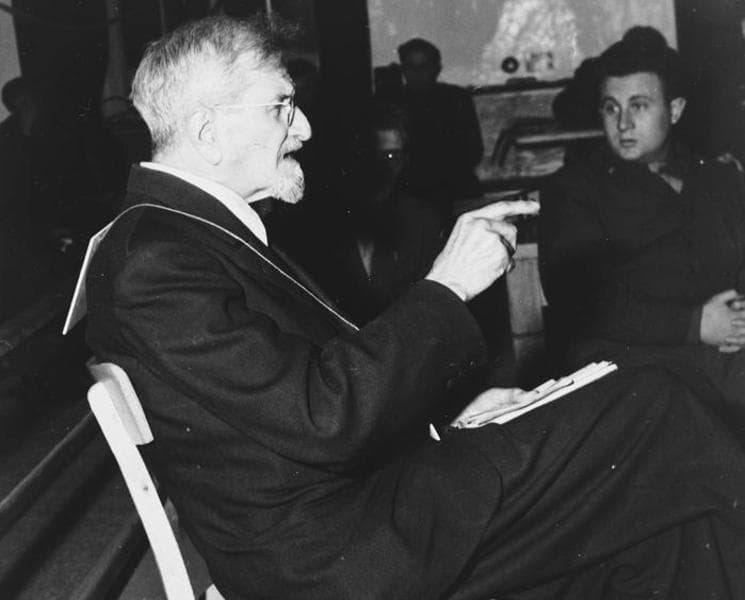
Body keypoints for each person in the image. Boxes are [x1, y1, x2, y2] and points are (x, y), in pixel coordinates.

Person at [84, 16, 745, 599]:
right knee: (658, 409)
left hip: (364, 515)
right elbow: (322, 416)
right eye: (282, 106)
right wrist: (447, 285)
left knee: (656, 528)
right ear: (209, 133)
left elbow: (294, 404)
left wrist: (449, 419)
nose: (304, 128)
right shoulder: (156, 259)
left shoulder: (183, 237)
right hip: (342, 557)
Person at [540, 34, 745, 428]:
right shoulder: (573, 190)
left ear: (675, 110)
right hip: (631, 364)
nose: (623, 123)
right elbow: (581, 302)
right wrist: (696, 325)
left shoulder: (718, 179)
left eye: (639, 106)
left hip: (727, 351)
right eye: (611, 108)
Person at [321, 102, 445, 323]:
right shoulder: (324, 221)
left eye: (392, 157)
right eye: (372, 156)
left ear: (406, 161)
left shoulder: (423, 221)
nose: (381, 168)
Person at [396, 38, 484, 219]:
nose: (417, 73)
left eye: (424, 66)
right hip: (412, 198)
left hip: (457, 193)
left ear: (436, 69)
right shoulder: (393, 104)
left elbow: (474, 151)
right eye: (411, 66)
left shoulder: (457, 99)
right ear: (403, 69)